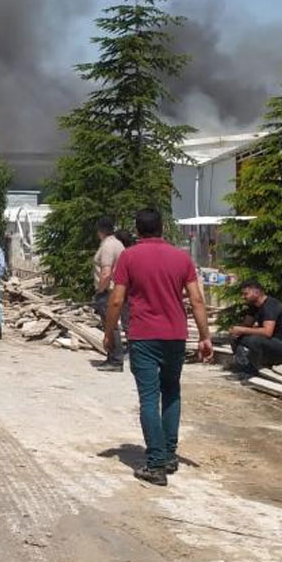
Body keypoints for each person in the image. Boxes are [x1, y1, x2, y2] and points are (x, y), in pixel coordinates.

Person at [104, 208, 213, 487]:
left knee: (150, 398)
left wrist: (108, 332)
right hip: (175, 335)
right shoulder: (181, 257)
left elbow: (116, 300)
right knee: (172, 391)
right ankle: (169, 455)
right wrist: (205, 336)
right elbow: (197, 300)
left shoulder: (129, 257)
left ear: (137, 230)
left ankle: (155, 463)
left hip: (144, 336)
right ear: (162, 228)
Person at [229, 280, 282, 373]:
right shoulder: (253, 307)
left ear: (256, 292)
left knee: (254, 340)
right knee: (237, 338)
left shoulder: (270, 306)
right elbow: (246, 325)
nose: (243, 297)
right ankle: (243, 367)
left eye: (246, 294)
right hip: (270, 342)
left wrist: (242, 329)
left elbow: (267, 332)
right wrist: (236, 331)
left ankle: (256, 369)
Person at [93, 217, 128, 372]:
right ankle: (113, 357)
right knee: (112, 325)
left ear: (100, 231)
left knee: (111, 325)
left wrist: (100, 290)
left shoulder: (108, 246)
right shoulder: (118, 243)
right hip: (116, 288)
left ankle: (115, 359)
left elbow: (106, 272)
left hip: (108, 290)